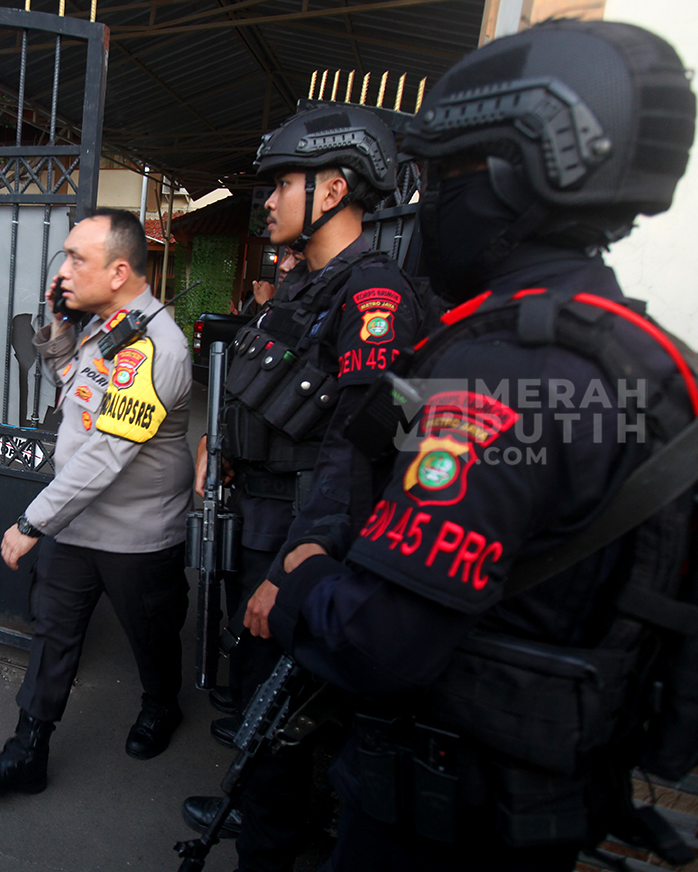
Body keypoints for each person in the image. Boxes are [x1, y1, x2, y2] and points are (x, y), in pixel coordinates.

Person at [244, 20, 698, 871]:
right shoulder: (649, 357)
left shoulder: (496, 371)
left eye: (444, 177)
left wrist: (302, 578)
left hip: (444, 810)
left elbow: (378, 641)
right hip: (544, 795)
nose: (424, 205)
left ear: (513, 175)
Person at [183, 105, 423, 870]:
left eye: (285, 182)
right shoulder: (303, 288)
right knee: (259, 697)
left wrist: (298, 562)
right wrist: (218, 445)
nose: (270, 199)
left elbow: (360, 450)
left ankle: (270, 843)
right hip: (258, 521)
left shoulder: (373, 297)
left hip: (300, 538)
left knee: (284, 712)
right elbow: (261, 389)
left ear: (335, 190)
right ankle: (259, 810)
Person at [0, 208, 194, 797]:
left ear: (118, 272)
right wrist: (61, 325)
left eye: (76, 259)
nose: (63, 270)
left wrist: (31, 522)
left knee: (151, 634)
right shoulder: (104, 325)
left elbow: (107, 453)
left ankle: (161, 704)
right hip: (76, 520)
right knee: (53, 633)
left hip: (135, 533)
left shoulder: (156, 346)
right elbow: (74, 386)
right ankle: (27, 752)